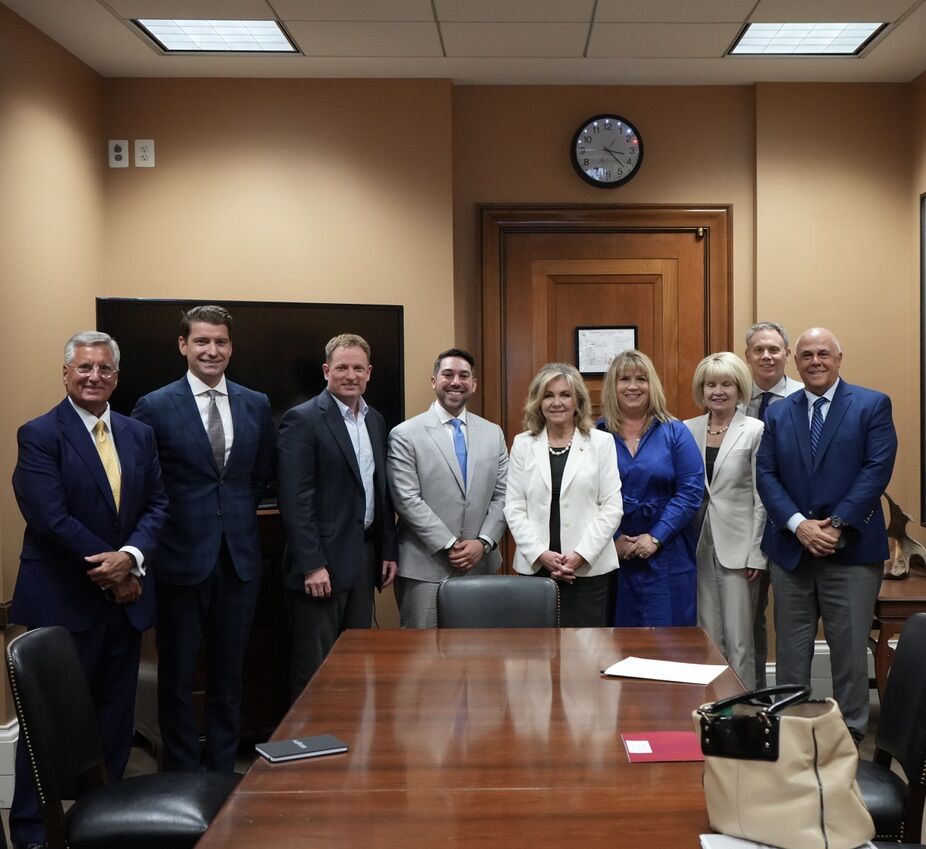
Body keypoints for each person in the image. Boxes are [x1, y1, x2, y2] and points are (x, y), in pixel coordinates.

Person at [10, 331, 168, 849]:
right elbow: (50, 517)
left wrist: (133, 559)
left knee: (114, 717)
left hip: (125, 599)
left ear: (116, 377)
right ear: (66, 373)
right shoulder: (38, 434)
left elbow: (157, 506)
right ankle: (35, 831)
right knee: (48, 724)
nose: (94, 377)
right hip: (65, 601)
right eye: (84, 369)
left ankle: (105, 821)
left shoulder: (137, 434)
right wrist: (115, 568)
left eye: (103, 369)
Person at [131, 305, 275, 773]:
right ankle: (181, 773)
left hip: (239, 562)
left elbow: (258, 477)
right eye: (202, 341)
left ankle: (220, 772)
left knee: (229, 675)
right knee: (176, 676)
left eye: (220, 342)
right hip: (178, 562)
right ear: (183, 345)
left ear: (231, 347)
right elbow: (144, 485)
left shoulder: (255, 402)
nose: (212, 350)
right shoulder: (154, 406)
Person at [757, 327, 896, 742]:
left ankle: (849, 736)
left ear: (839, 358)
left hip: (851, 552)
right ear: (794, 362)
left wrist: (835, 526)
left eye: (823, 354)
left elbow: (876, 470)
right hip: (792, 552)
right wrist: (799, 525)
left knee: (850, 654)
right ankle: (792, 734)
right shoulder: (780, 412)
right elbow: (766, 473)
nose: (815, 362)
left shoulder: (871, 404)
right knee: (791, 655)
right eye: (806, 355)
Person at [278, 333, 397, 699]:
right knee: (316, 667)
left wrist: (387, 550)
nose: (350, 375)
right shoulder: (302, 419)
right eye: (342, 367)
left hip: (364, 557)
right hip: (322, 562)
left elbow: (381, 491)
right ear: (327, 370)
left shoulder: (374, 420)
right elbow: (295, 499)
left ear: (369, 373)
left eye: (358, 368)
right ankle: (312, 750)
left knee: (355, 659)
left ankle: (350, 744)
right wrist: (312, 564)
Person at [387, 348, 508, 628]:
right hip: (425, 567)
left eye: (464, 376)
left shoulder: (493, 433)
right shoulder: (405, 434)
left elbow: (504, 494)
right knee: (423, 659)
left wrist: (484, 542)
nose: (456, 382)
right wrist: (450, 544)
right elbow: (406, 499)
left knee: (479, 656)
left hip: (481, 565)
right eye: (448, 374)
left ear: (473, 384)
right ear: (433, 381)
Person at [504, 363, 622, 626]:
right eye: (548, 395)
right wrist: (540, 554)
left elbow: (612, 507)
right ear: (538, 401)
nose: (557, 402)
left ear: (578, 400)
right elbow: (514, 507)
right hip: (537, 569)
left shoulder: (601, 443)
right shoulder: (523, 444)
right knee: (535, 657)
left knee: (586, 656)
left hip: (588, 569)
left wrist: (580, 555)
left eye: (565, 395)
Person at [599, 350, 703, 626]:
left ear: (652, 385)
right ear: (613, 386)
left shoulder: (675, 431)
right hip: (611, 554)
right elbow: (587, 495)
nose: (633, 386)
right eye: (624, 379)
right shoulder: (596, 435)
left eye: (641, 379)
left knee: (668, 640)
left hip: (668, 550)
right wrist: (615, 539)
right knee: (613, 641)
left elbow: (690, 492)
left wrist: (655, 537)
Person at [684, 352, 766, 685]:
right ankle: (713, 713)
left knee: (740, 640)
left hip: (740, 549)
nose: (718, 391)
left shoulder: (755, 430)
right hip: (697, 544)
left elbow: (762, 498)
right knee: (706, 635)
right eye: (711, 384)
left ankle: (744, 713)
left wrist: (757, 554)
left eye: (726, 384)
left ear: (739, 388)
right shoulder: (687, 429)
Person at [742, 321, 803, 687]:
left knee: (791, 617)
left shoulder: (802, 397)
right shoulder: (730, 395)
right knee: (747, 617)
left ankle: (788, 697)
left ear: (787, 354)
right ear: (747, 355)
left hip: (788, 522)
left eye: (774, 349)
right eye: (759, 350)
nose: (767, 356)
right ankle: (752, 693)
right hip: (743, 522)